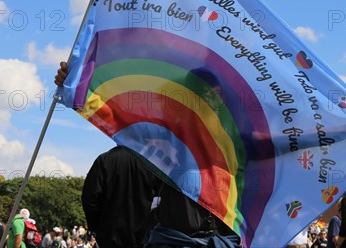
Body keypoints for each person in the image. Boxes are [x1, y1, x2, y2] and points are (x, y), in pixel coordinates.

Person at [57, 62, 241, 248]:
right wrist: (74, 86)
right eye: (202, 95)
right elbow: (113, 114)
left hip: (221, 240)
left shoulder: (236, 143)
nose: (209, 103)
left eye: (215, 96)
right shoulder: (166, 135)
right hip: (176, 242)